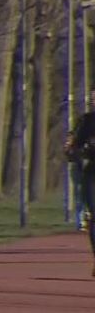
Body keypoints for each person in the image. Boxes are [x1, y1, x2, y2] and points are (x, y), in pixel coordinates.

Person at [65, 98, 95, 276]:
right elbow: (73, 149)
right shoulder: (85, 122)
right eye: (92, 98)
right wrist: (73, 150)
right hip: (92, 172)